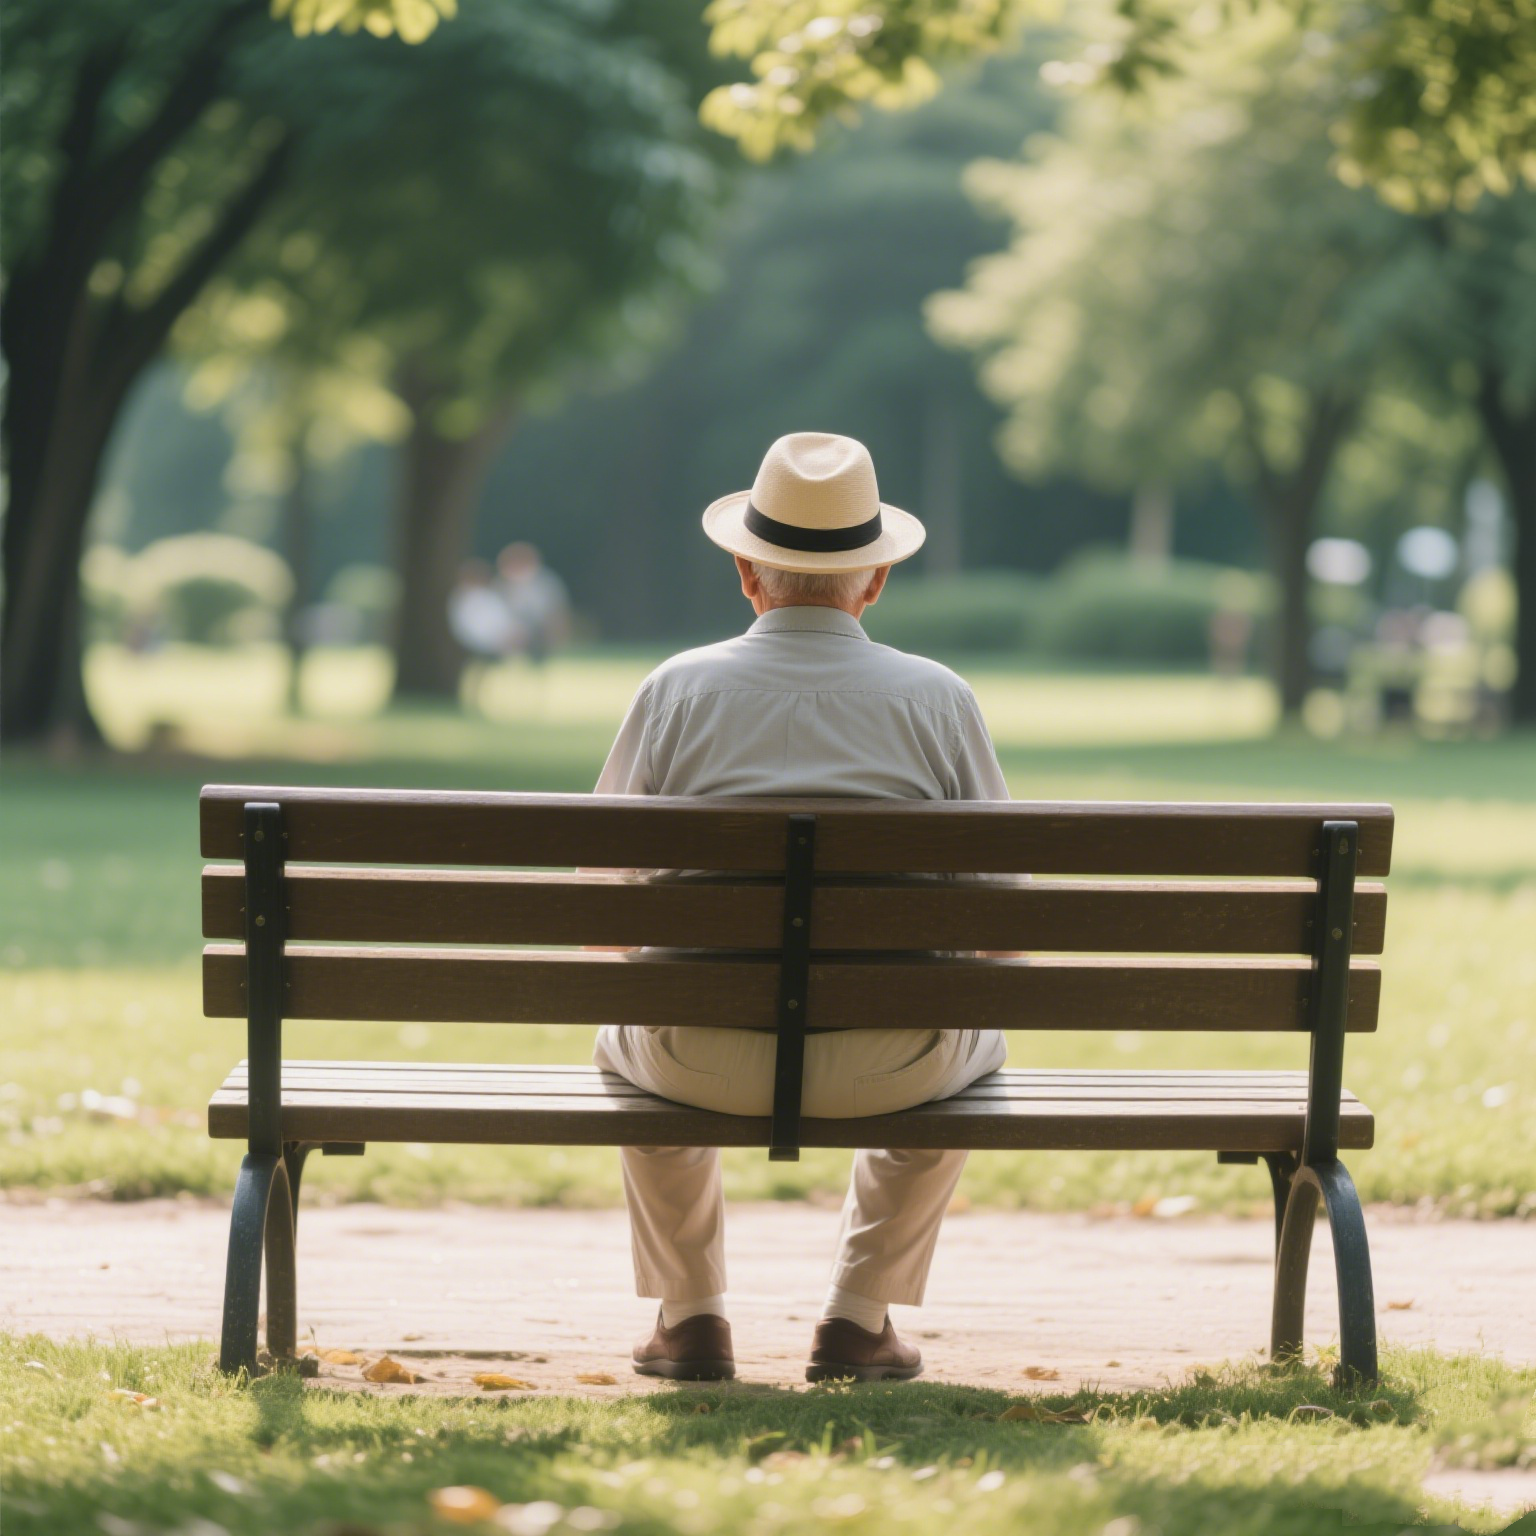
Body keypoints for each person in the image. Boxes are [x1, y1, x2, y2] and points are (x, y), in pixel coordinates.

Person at [591, 431, 1011, 1384]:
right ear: (874, 583)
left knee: (629, 1029)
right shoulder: (938, 701)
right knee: (977, 1041)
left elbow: (601, 908)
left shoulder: (674, 692)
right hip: (890, 1066)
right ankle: (859, 1322)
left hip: (697, 1060)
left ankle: (691, 1317)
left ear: (748, 573)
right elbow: (1005, 924)